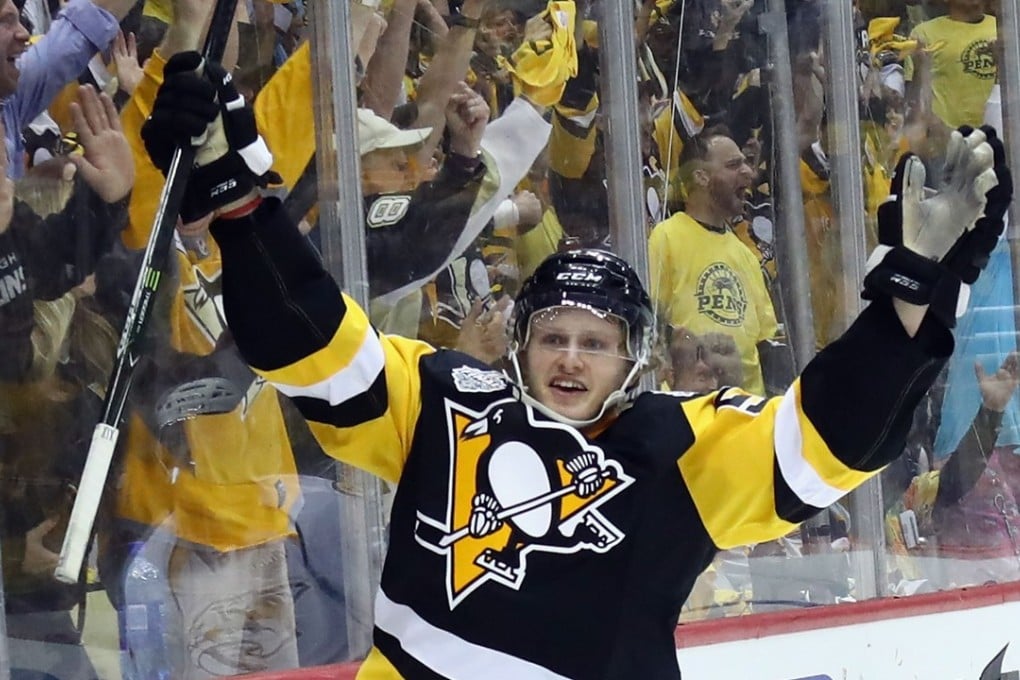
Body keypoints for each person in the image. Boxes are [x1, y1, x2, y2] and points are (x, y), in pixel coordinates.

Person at [139, 51, 1010, 679]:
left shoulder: (680, 442)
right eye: (553, 334)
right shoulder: (445, 400)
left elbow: (831, 439)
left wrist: (912, 292)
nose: (569, 356)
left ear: (633, 358)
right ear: (520, 344)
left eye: (595, 342)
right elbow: (311, 343)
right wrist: (238, 198)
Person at [648, 127, 778, 395]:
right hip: (693, 408)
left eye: (746, 163)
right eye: (733, 165)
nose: (748, 172)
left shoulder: (745, 254)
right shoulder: (666, 237)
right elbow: (652, 325)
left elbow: (766, 341)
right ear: (701, 176)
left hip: (749, 412)